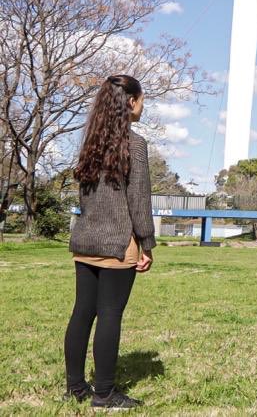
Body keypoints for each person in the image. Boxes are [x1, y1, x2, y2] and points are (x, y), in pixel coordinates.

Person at [64, 75, 155, 409]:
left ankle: (75, 388)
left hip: (85, 240)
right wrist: (146, 243)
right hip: (118, 242)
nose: (143, 106)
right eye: (142, 99)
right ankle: (104, 393)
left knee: (82, 313)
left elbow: (85, 196)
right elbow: (139, 199)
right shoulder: (135, 143)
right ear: (130, 101)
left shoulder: (91, 142)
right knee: (110, 313)